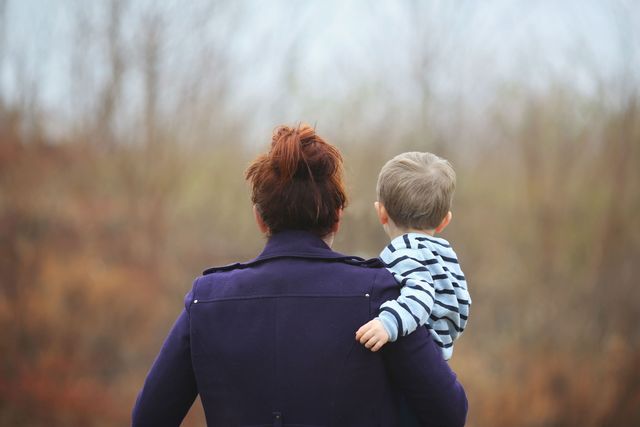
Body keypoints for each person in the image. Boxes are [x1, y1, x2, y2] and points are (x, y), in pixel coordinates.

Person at [132, 126, 467, 426]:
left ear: (260, 218)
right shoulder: (382, 293)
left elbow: (148, 418)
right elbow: (449, 412)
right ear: (337, 217)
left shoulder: (206, 300)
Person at [356, 152, 471, 360]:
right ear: (445, 221)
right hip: (441, 348)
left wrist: (387, 324)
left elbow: (421, 294)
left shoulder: (403, 252)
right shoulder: (445, 253)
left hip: (417, 347)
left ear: (381, 213)